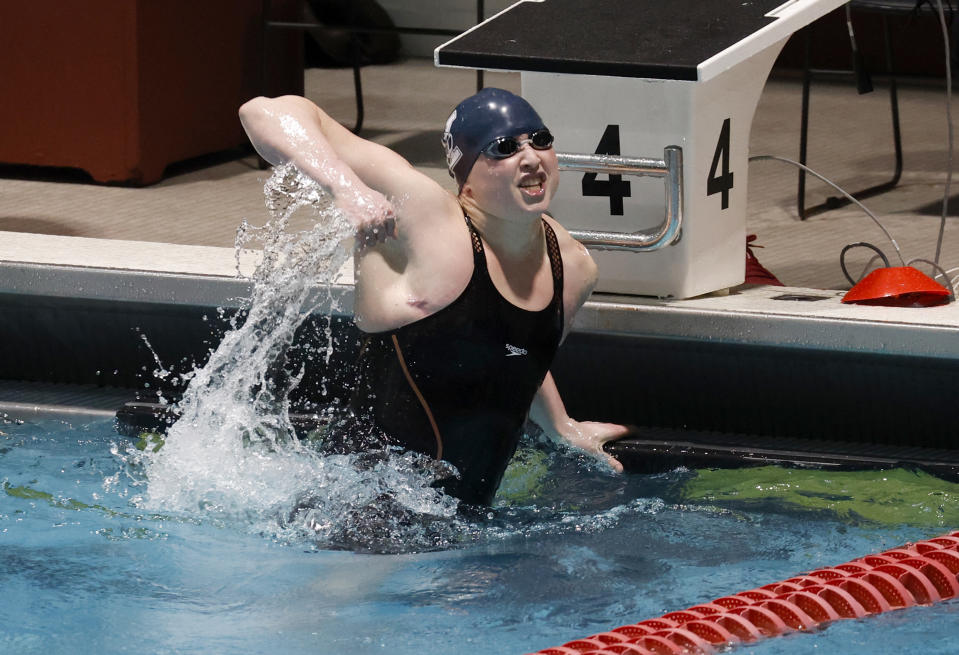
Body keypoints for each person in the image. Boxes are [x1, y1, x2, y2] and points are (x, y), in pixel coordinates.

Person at [239, 87, 630, 506]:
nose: (531, 156)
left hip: (467, 520)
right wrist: (344, 187)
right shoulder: (424, 219)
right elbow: (262, 111)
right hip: (357, 507)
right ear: (467, 178)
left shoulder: (572, 267)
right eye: (504, 147)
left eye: (541, 140)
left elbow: (517, 350)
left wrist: (561, 427)